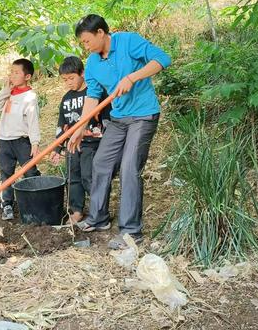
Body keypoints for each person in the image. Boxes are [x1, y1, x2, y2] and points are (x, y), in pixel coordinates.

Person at [68, 14, 171, 250]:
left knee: (129, 168)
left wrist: (133, 77)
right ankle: (98, 218)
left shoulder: (128, 41)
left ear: (101, 33)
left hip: (143, 115)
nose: (86, 47)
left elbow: (162, 59)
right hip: (118, 119)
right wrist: (79, 128)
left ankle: (131, 233)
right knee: (101, 163)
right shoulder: (93, 63)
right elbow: (92, 96)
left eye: (86, 41)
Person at [50, 56, 111, 224]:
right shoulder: (66, 99)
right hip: (71, 145)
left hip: (92, 144)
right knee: (73, 177)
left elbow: (106, 119)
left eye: (72, 78)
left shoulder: (94, 92)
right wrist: (57, 147)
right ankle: (76, 211)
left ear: (82, 73)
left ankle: (98, 211)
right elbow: (62, 124)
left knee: (88, 176)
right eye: (65, 80)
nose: (68, 82)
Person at [0, 58, 41, 221]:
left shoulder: (30, 97)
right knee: (6, 173)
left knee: (30, 171)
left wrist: (35, 143)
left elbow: (33, 121)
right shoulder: (9, 94)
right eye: (11, 72)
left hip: (21, 141)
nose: (12, 75)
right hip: (4, 140)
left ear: (27, 76)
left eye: (16, 72)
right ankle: (7, 204)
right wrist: (6, 89)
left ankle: (36, 201)